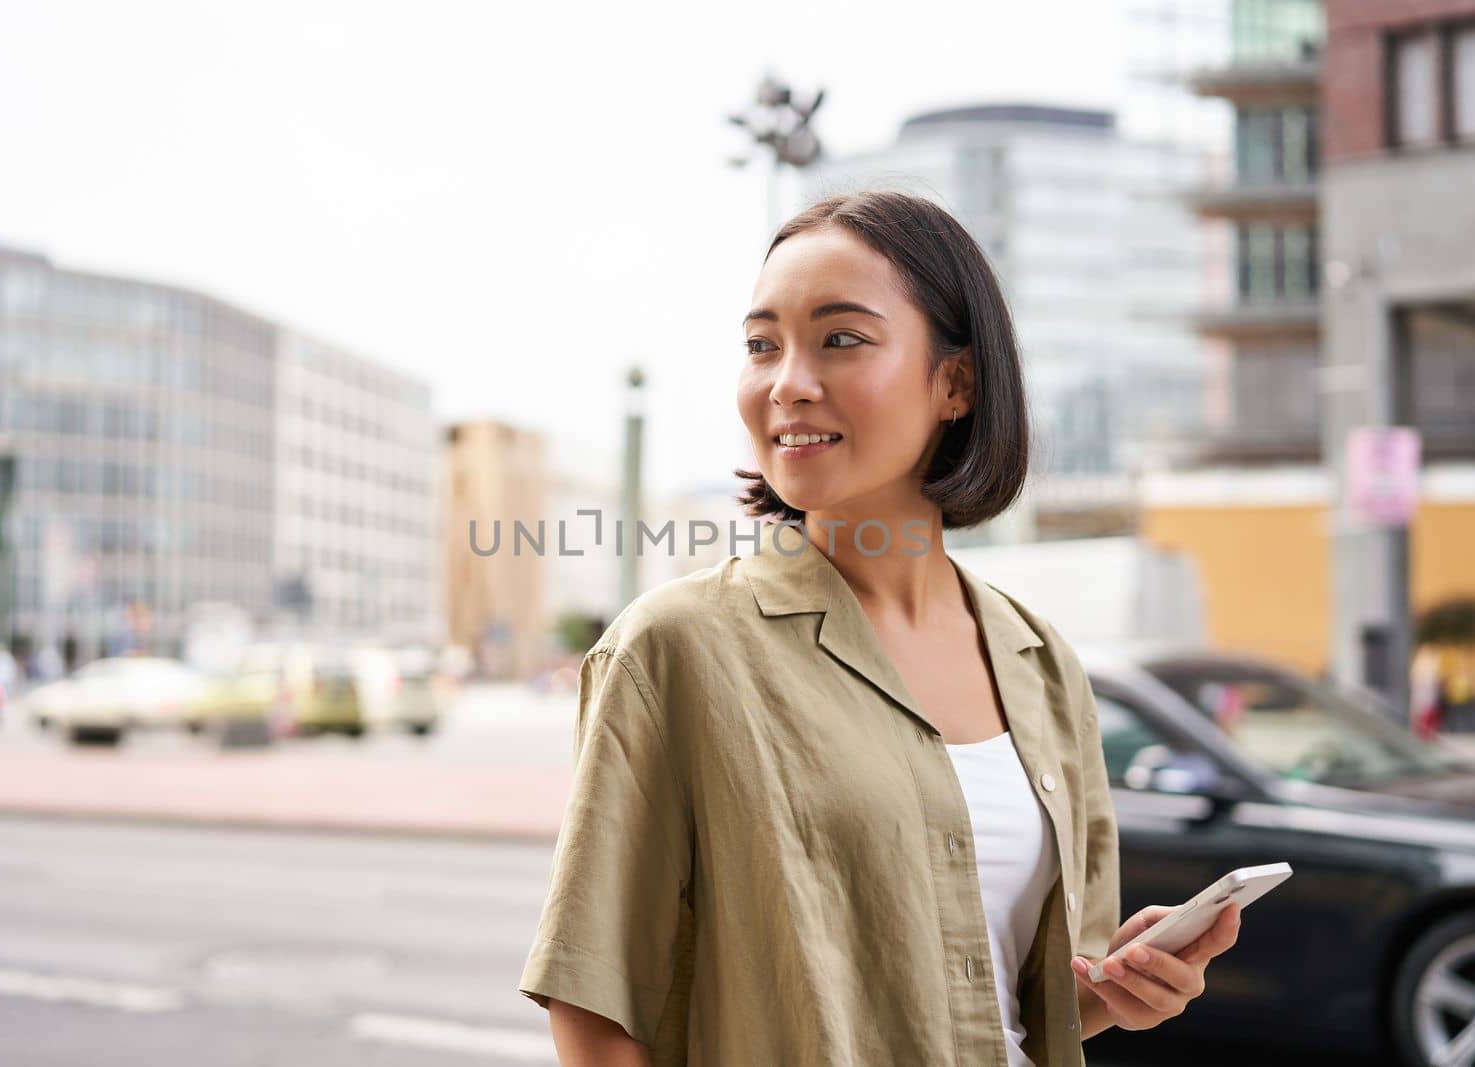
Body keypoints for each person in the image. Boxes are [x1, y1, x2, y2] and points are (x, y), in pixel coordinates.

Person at [517, 190, 1242, 1066]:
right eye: (761, 345)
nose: (787, 381)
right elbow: (597, 1009)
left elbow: (1013, 1003)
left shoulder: (1042, 662)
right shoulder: (675, 648)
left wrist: (1117, 991)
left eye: (840, 338)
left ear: (956, 382)